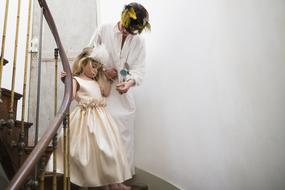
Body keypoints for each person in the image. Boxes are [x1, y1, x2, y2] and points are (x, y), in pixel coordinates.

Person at [47, 45, 132, 190]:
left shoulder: (95, 81)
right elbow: (71, 97)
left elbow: (104, 93)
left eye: (97, 68)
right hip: (85, 121)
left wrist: (110, 78)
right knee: (93, 152)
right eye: (93, 66)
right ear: (83, 62)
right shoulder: (75, 80)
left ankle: (113, 183)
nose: (95, 71)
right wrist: (67, 82)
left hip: (102, 120)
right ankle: (108, 185)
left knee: (110, 150)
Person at [88, 2, 151, 175]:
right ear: (122, 17)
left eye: (131, 31)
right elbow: (89, 55)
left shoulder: (138, 41)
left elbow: (138, 69)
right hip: (101, 91)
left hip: (123, 93)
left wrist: (130, 82)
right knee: (102, 137)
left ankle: (121, 179)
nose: (126, 32)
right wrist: (103, 70)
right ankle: (102, 180)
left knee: (123, 137)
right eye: (125, 28)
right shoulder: (104, 29)